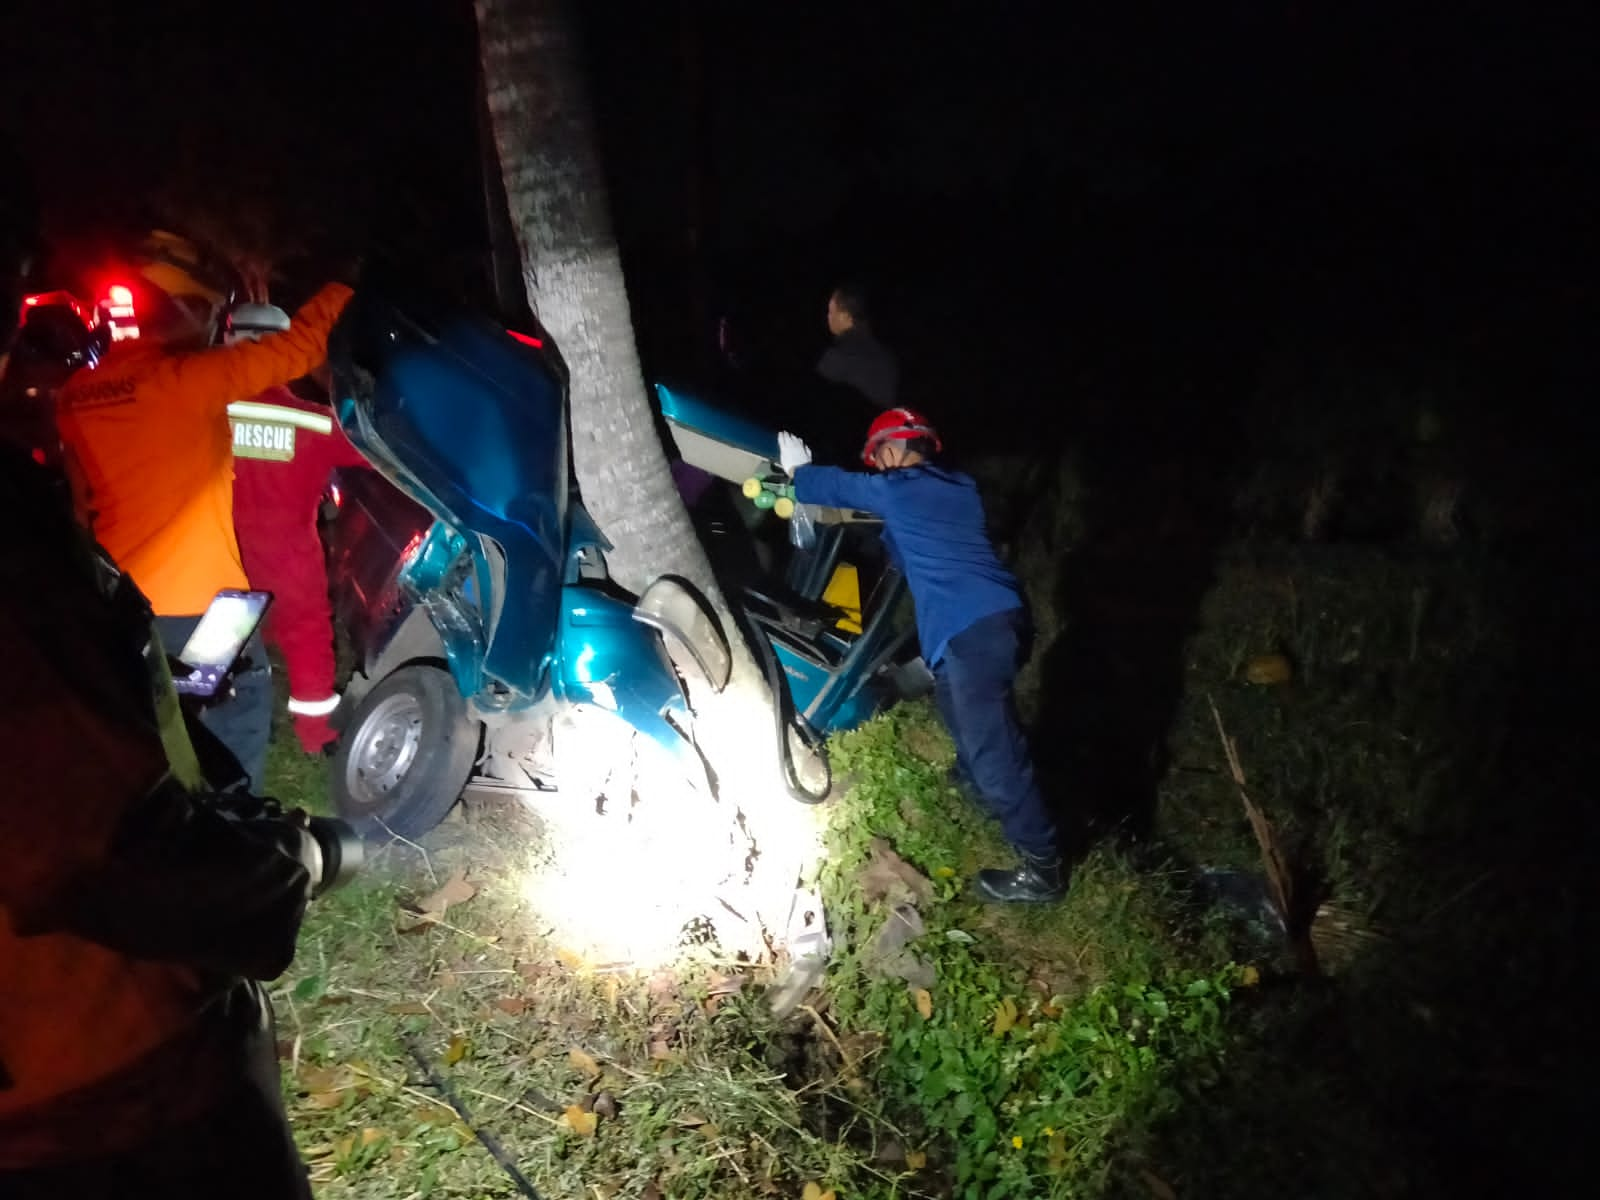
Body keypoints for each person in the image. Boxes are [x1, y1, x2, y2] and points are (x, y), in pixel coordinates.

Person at [0, 175, 326, 1199]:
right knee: (224, 724)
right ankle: (224, 833)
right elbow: (293, 384)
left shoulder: (80, 397)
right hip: (210, 604)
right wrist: (349, 296)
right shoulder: (203, 383)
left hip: (137, 600)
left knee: (182, 719)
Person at [54, 231, 353, 791]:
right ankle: (233, 840)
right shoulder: (189, 382)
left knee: (156, 718)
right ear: (187, 312)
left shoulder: (77, 393)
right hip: (209, 603)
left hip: (122, 595)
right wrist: (345, 282)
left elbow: (79, 500)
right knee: (236, 713)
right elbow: (301, 350)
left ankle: (169, 813)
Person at [777, 410, 1064, 902]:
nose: (878, 469)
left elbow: (853, 490)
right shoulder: (951, 491)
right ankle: (978, 787)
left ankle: (1044, 869)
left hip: (974, 628)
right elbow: (899, 540)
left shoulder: (906, 489)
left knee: (994, 751)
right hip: (983, 625)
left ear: (892, 450)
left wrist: (801, 477)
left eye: (878, 459)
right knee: (959, 712)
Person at [226, 304, 371, 755]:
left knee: (221, 636)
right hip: (291, 554)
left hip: (223, 550)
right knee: (306, 634)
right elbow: (374, 451)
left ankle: (212, 723)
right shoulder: (310, 421)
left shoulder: (205, 414)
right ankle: (316, 734)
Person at [816, 281, 899, 410]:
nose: (828, 317)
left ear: (845, 317)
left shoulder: (836, 357)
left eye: (831, 311)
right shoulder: (888, 358)